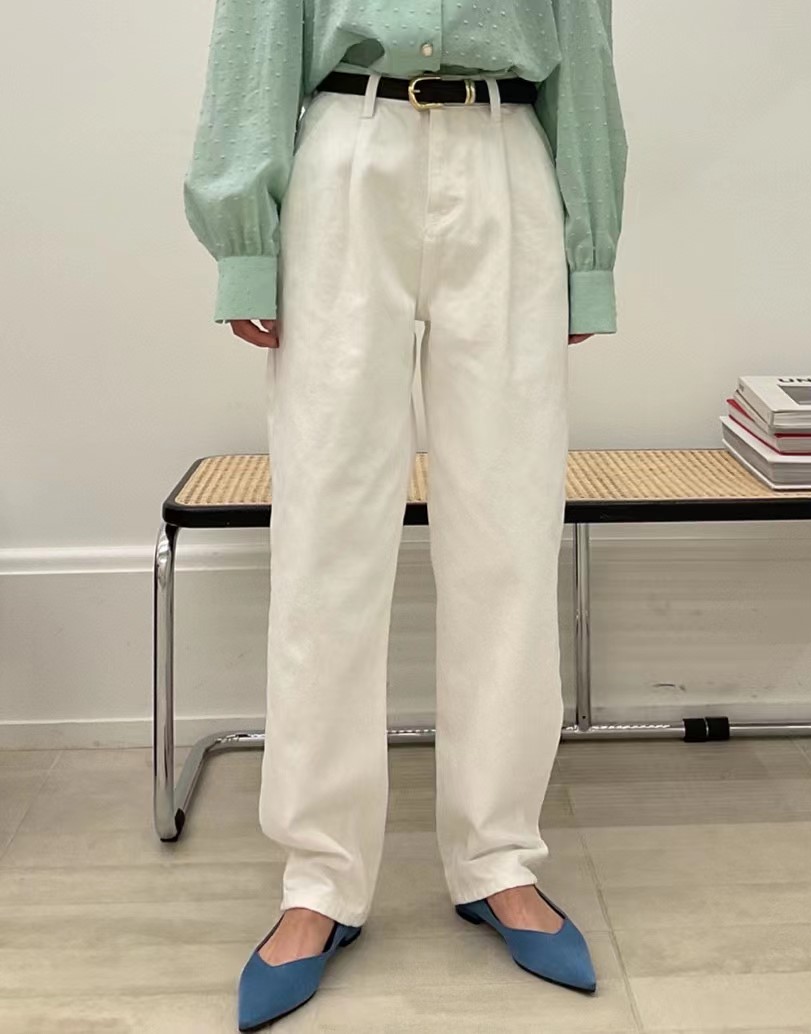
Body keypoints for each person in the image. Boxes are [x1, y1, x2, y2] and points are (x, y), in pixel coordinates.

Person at [183, 2, 627, 1029]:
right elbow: (257, 35)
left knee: (510, 532)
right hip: (349, 155)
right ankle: (320, 876)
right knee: (326, 536)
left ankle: (499, 856)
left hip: (509, 159)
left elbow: (584, 42)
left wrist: (589, 255)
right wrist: (244, 238)